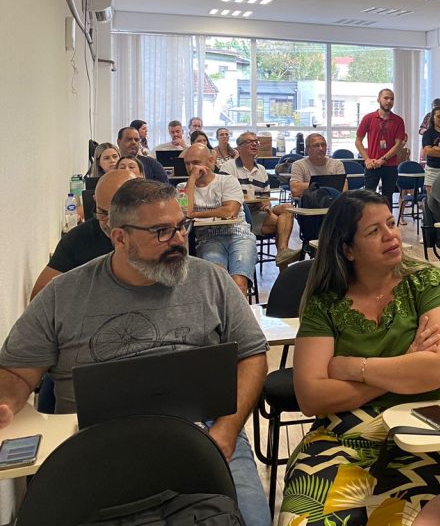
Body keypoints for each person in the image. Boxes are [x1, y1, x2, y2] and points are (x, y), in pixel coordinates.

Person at [0, 178, 272, 526]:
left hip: (202, 433)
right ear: (119, 237)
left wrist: (227, 431)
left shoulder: (211, 280)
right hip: (93, 442)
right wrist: (6, 401)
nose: (178, 241)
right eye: (161, 231)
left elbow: (252, 354)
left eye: (181, 226)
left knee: (251, 520)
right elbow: (17, 373)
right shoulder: (62, 295)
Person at [280, 190, 440, 525]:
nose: (391, 235)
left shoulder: (426, 282)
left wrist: (353, 367)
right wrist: (406, 365)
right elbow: (311, 397)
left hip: (428, 431)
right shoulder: (325, 303)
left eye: (389, 223)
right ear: (348, 250)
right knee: (301, 520)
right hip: (341, 436)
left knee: (407, 519)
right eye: (373, 231)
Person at [31, 169, 136, 299]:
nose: (109, 224)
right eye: (103, 213)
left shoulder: (158, 237)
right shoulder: (79, 239)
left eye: (119, 215)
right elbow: (40, 298)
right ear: (95, 200)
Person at [182, 143, 257, 296]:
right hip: (208, 239)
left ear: (210, 161)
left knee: (238, 283)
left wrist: (195, 214)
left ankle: (238, 319)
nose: (191, 168)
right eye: (187, 164)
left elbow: (230, 211)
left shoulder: (228, 181)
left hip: (239, 235)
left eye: (196, 163)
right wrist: (191, 181)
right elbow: (184, 212)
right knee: (218, 281)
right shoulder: (182, 187)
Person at [226, 131, 301, 267]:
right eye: (249, 142)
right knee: (281, 225)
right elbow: (226, 195)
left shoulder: (261, 169)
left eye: (256, 141)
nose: (254, 144)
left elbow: (266, 198)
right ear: (239, 148)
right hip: (240, 215)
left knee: (288, 207)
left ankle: (282, 252)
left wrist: (266, 205)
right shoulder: (229, 167)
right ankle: (283, 263)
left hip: (258, 212)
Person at [355, 88, 406, 207]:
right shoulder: (368, 118)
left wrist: (382, 160)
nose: (389, 101)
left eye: (392, 99)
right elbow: (358, 141)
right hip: (372, 164)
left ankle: (387, 224)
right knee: (369, 198)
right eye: (386, 98)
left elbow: (398, 144)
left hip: (390, 165)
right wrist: (367, 159)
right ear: (378, 99)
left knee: (387, 198)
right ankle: (369, 224)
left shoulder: (398, 120)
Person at [289, 132, 348, 200]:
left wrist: (312, 186)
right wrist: (330, 185)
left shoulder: (337, 164)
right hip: (309, 204)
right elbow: (295, 190)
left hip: (333, 202)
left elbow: (344, 190)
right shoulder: (298, 165)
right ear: (307, 149)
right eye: (316, 145)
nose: (321, 148)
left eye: (323, 145)